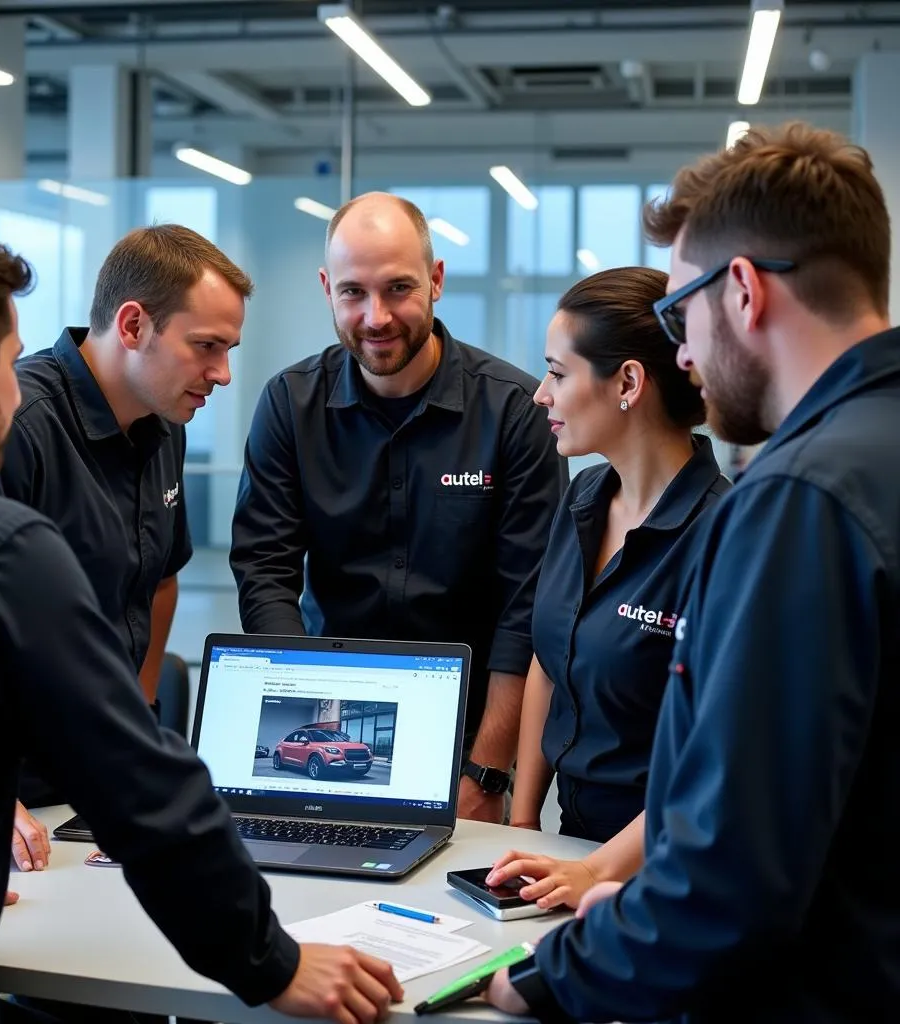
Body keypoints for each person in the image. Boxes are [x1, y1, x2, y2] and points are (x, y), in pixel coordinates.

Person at [0, 212, 402, 1023]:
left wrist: (135, 700)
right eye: (13, 364)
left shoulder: (157, 435)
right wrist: (271, 964)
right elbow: (144, 796)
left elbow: (159, 580)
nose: (224, 373)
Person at [484, 122, 900, 1022]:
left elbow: (733, 867)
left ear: (742, 290)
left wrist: (543, 978)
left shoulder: (800, 499)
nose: (683, 354)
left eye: (683, 314)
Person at [230, 193, 565, 822]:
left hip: (471, 731)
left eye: (398, 288)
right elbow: (265, 570)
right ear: (327, 289)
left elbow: (528, 606)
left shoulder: (516, 411)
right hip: (331, 712)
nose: (376, 316)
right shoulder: (289, 405)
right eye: (353, 292)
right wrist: (306, 710)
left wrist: (487, 771)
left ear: (436, 281)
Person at [0, 224, 245, 861]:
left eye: (229, 349)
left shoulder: (166, 422)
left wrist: (137, 713)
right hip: (13, 793)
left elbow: (160, 578)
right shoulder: (18, 428)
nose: (223, 374)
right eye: (206, 347)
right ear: (133, 326)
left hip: (96, 775)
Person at [486, 266, 728, 912]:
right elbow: (547, 658)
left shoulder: (721, 537)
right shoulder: (585, 499)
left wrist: (597, 871)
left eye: (557, 374)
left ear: (627, 383)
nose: (541, 395)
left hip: (670, 869)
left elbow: (716, 762)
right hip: (573, 852)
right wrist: (522, 821)